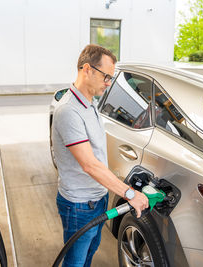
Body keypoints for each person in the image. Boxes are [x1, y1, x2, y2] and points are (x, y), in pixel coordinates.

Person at [52, 44, 149, 267]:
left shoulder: (90, 104)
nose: (108, 83)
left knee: (88, 256)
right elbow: (89, 165)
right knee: (75, 262)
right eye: (106, 76)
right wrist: (130, 194)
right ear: (87, 69)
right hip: (79, 204)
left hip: (97, 198)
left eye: (110, 78)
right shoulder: (69, 110)